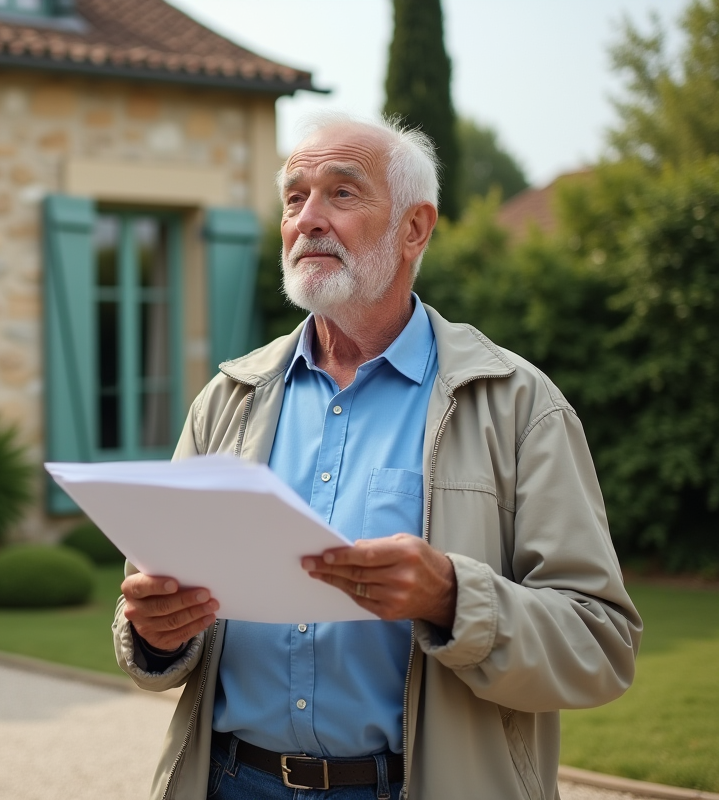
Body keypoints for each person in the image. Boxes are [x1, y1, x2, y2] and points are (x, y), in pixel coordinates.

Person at [111, 112, 642, 800]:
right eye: (294, 197)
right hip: (229, 782)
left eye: (341, 192)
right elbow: (150, 614)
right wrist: (154, 634)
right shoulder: (225, 399)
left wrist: (453, 599)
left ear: (415, 228)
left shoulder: (519, 406)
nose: (308, 219)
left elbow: (601, 646)